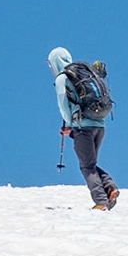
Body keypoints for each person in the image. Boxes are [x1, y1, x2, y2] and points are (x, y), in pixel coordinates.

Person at [49, 46, 118, 210]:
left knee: (86, 166)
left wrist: (70, 124)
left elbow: (63, 105)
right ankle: (109, 188)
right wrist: (72, 130)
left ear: (55, 62)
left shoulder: (63, 78)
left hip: (83, 128)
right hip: (99, 125)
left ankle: (101, 201)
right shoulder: (84, 74)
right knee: (90, 163)